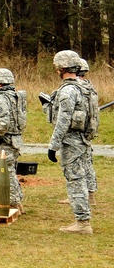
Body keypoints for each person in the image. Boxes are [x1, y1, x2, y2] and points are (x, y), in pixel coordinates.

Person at [46, 50, 95, 234]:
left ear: (62, 67)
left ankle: (82, 223)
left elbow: (63, 121)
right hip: (83, 141)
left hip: (72, 143)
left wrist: (53, 146)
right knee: (80, 179)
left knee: (75, 180)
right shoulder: (86, 87)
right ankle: (83, 220)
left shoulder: (67, 91)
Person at [0, 68, 25, 212]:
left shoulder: (0, 98)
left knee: (5, 173)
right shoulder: (14, 96)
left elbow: (4, 122)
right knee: (10, 171)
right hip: (15, 139)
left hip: (5, 141)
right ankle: (18, 201)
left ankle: (13, 203)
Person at [75, 58, 99, 206]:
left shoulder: (77, 88)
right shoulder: (89, 87)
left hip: (79, 131)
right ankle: (90, 196)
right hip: (89, 129)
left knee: (78, 165)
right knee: (87, 162)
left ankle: (81, 195)